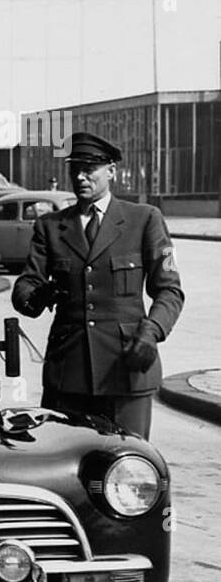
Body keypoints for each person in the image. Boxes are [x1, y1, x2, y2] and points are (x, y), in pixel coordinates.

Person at [12, 131, 183, 439]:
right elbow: (26, 287)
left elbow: (170, 290)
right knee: (63, 468)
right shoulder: (50, 227)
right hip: (68, 375)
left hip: (126, 367)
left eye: (89, 168)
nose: (80, 176)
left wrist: (152, 332)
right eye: (74, 168)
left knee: (129, 466)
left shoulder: (144, 219)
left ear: (111, 171)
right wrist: (37, 294)